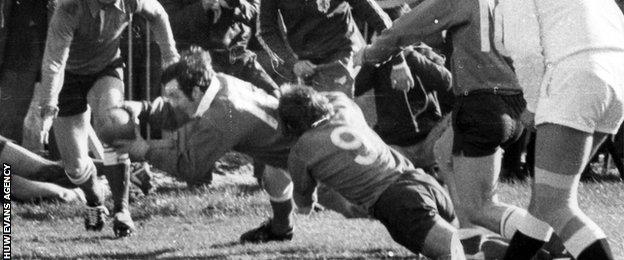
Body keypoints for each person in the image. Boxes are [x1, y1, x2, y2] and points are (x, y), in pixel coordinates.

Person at [355, 0, 530, 243]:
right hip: (515, 102)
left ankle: (552, 243)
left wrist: (367, 53)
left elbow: (406, 26)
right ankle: (471, 239)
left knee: (480, 207)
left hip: (482, 103)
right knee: (444, 152)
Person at [115, 47, 298, 243]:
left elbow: (191, 168)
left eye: (174, 96)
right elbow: (181, 110)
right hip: (286, 144)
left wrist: (145, 150)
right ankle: (281, 229)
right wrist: (144, 109)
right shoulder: (217, 82)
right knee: (274, 176)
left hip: (305, 155)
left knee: (330, 195)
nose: (172, 102)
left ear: (195, 90)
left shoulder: (221, 117)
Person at [37, 0, 180, 237]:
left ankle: (122, 210)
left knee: (115, 124)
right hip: (68, 76)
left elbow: (158, 14)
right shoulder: (70, 8)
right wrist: (49, 107)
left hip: (106, 69)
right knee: (75, 167)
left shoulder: (131, 1)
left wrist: (170, 59)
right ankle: (94, 200)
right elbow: (54, 62)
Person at [497, 0, 624, 258]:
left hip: (577, 75)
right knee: (544, 201)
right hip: (615, 75)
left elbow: (525, 50)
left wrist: (533, 104)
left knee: (555, 203)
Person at [278, 85, 465, 259]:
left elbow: (304, 204)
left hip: (398, 203)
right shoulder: (344, 107)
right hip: (421, 180)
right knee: (469, 242)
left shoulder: (300, 152)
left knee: (465, 253)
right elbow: (335, 95)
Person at [257, 0, 414, 97]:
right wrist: (292, 63)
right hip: (306, 60)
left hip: (346, 51)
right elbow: (265, 31)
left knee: (335, 113)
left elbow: (375, 15)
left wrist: (399, 62)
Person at [159, 0, 279, 97]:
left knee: (275, 96)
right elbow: (167, 24)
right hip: (196, 64)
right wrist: (204, 5)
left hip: (237, 57)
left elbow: (258, 10)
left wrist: (237, 4)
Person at [0, 0, 54, 145]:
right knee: (9, 124)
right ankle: (8, 168)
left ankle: (113, 163)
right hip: (21, 42)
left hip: (40, 43)